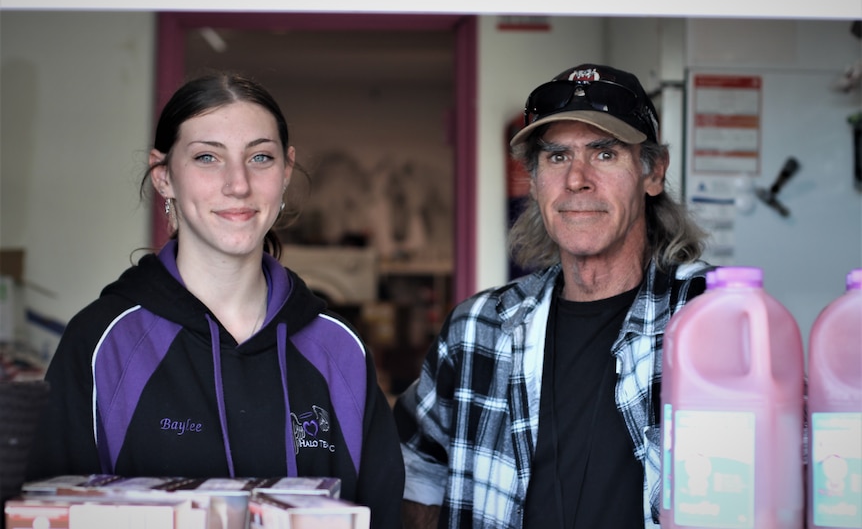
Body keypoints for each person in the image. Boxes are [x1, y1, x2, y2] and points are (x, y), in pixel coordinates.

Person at [26, 72, 405, 528]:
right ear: (164, 176)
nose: (238, 184)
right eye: (207, 157)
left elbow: (381, 516)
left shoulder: (339, 348)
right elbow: (47, 512)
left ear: (285, 172)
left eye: (259, 157)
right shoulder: (100, 343)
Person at [394, 63, 712, 529]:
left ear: (653, 173)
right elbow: (416, 474)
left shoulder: (709, 314)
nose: (577, 179)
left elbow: (790, 467)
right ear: (534, 180)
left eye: (605, 154)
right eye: (557, 157)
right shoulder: (478, 329)